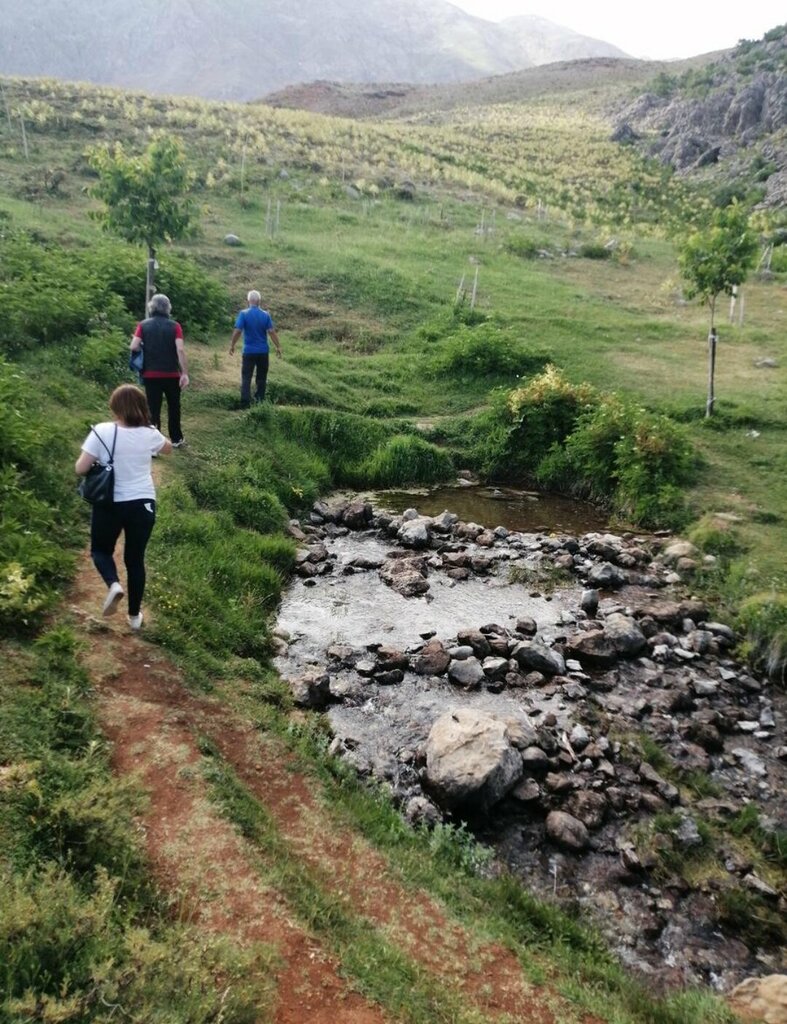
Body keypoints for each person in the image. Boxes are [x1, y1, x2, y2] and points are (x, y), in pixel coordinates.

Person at [75, 384, 171, 630]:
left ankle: (113, 584)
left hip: (110, 503)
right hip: (143, 504)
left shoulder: (101, 431)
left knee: (100, 550)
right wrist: (151, 432)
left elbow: (81, 468)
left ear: (114, 407)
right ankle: (134, 617)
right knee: (135, 560)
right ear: (142, 407)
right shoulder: (149, 433)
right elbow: (168, 448)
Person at [130, 293, 189, 446]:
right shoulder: (175, 326)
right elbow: (180, 349)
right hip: (171, 373)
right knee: (174, 406)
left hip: (150, 373)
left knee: (153, 408)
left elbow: (134, 346)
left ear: (152, 307)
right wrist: (184, 373)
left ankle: (154, 444)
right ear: (168, 308)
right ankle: (176, 438)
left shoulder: (143, 325)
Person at [229, 290, 281, 407]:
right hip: (263, 352)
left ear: (248, 301)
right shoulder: (265, 315)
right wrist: (278, 346)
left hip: (249, 351)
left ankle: (245, 403)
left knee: (246, 377)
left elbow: (238, 331)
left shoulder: (244, 314)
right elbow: (271, 331)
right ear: (259, 301)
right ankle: (259, 401)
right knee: (261, 378)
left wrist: (232, 345)